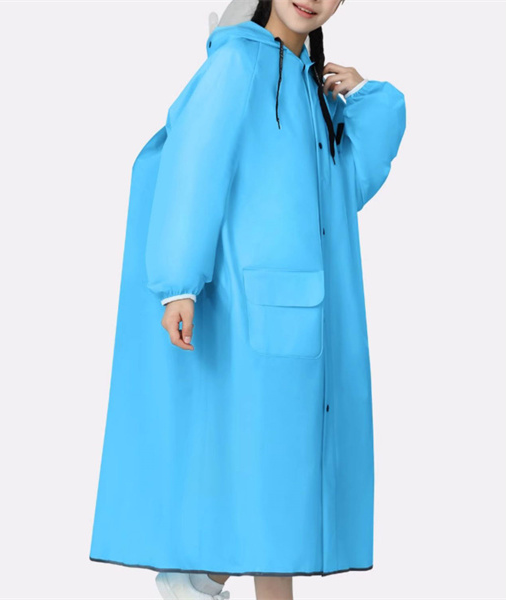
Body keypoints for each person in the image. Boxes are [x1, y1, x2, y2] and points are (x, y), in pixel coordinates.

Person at [89, 1, 407, 599]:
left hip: (306, 318)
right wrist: (178, 283)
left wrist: (372, 98)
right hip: (251, 315)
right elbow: (193, 163)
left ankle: (197, 581)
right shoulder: (237, 63)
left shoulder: (311, 90)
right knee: (273, 487)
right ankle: (196, 580)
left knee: (280, 491)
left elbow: (345, 187)